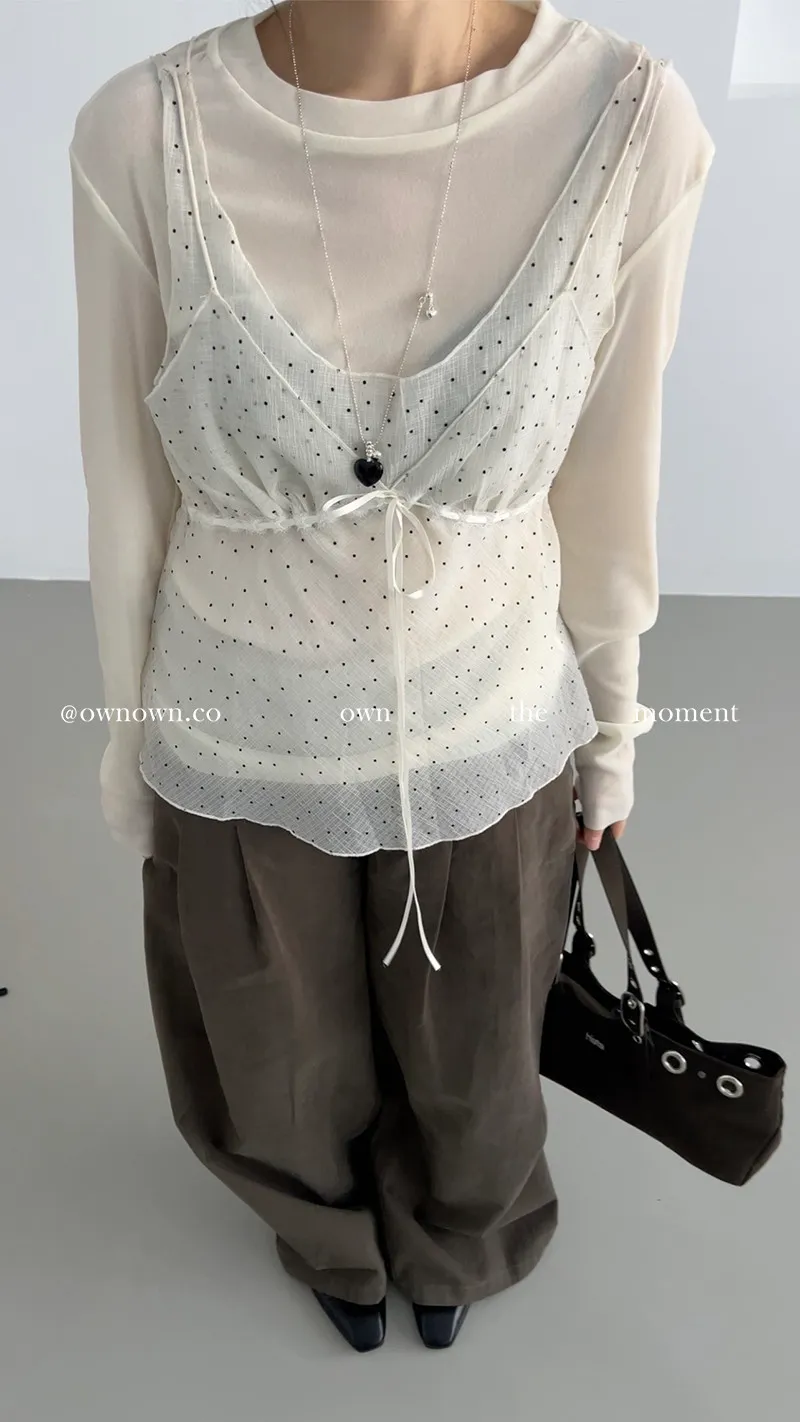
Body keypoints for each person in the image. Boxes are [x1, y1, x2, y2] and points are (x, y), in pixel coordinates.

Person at [69, 0, 714, 1352]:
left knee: (481, 1058)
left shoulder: (631, 122)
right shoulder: (144, 129)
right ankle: (325, 1235)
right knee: (273, 1060)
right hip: (238, 730)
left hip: (492, 722)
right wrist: (130, 746)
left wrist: (612, 732)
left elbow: (615, 479)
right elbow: (125, 492)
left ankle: (461, 1235)